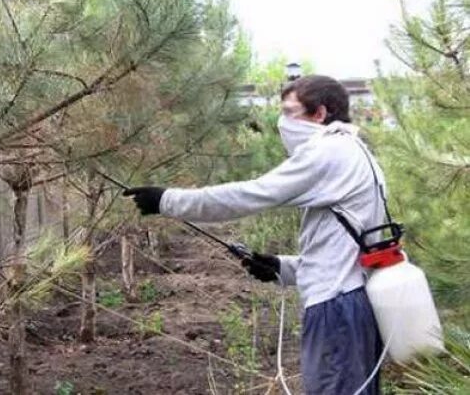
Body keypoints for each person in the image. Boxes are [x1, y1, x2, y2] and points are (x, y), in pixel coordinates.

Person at [124, 75, 384, 395]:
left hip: (337, 309)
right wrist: (282, 268)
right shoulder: (354, 151)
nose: (282, 122)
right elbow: (347, 251)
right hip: (352, 303)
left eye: (291, 112)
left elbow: (250, 195)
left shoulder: (329, 152)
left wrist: (166, 200)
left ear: (320, 113)